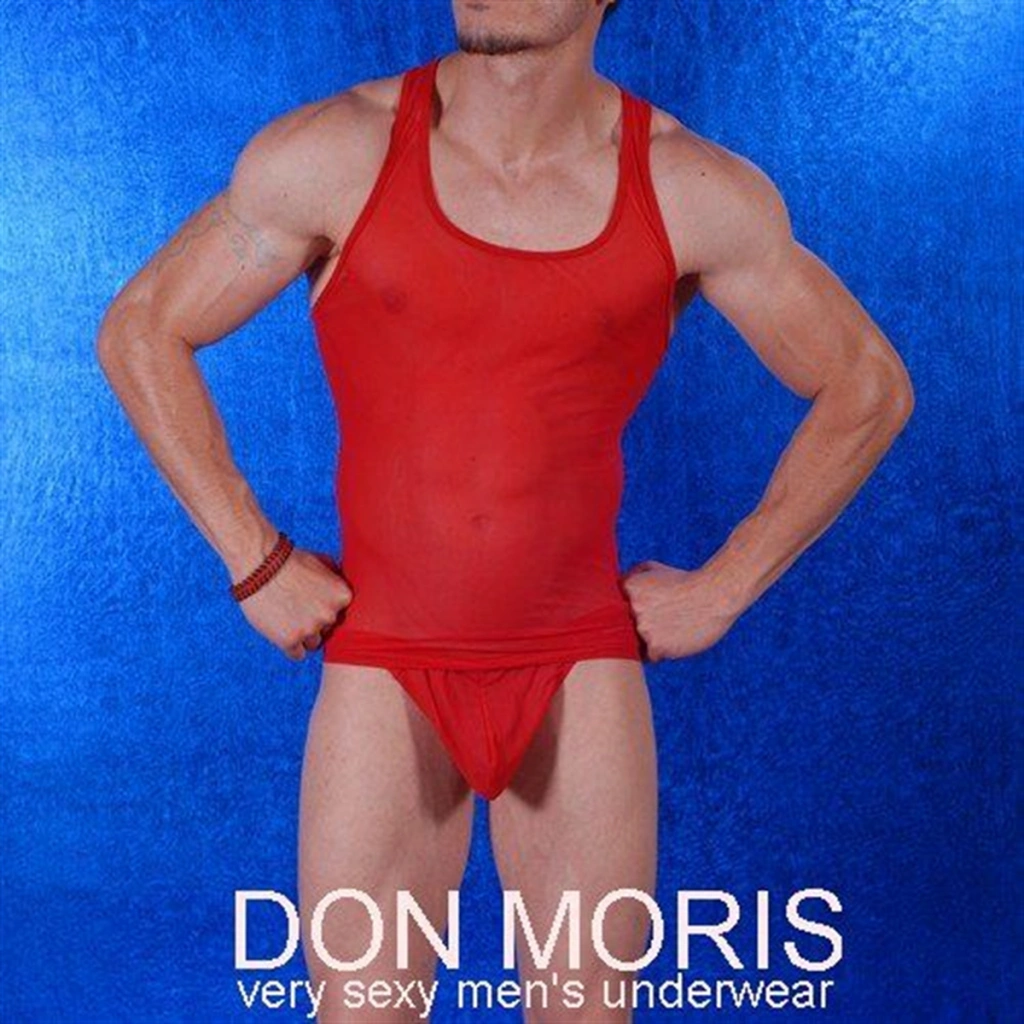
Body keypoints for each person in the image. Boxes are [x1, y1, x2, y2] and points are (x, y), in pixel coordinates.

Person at [96, 1, 914, 1020]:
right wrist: (252, 558)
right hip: (384, 664)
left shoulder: (688, 189)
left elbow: (866, 385)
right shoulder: (336, 153)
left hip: (577, 666)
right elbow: (142, 327)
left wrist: (727, 585)